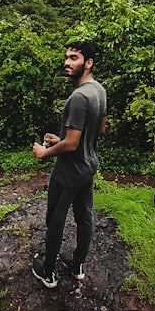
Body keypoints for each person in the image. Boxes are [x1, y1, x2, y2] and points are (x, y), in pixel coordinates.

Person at [31, 40, 107, 289]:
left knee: (55, 219)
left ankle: (49, 272)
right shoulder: (99, 91)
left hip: (68, 171)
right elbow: (100, 129)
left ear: (89, 62)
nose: (67, 62)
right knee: (84, 217)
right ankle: (78, 266)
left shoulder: (78, 97)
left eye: (74, 58)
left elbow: (72, 144)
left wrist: (46, 152)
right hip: (88, 165)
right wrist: (62, 138)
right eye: (66, 57)